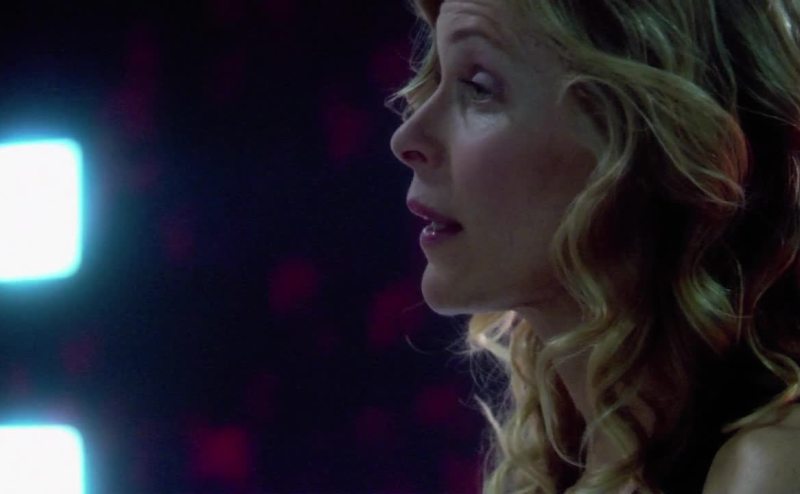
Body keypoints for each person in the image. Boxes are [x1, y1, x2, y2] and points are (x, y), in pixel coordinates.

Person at [388, 0, 800, 492]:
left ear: (653, 138)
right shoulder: (541, 473)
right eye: (437, 79)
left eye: (478, 87)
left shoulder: (772, 466)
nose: (406, 137)